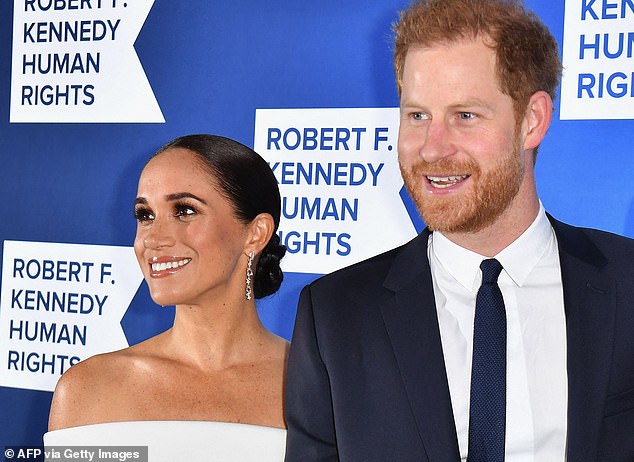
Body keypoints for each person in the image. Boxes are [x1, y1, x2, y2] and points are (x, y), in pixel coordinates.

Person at [284, 0, 634, 461]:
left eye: (464, 116)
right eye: (417, 116)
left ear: (532, 120)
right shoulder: (335, 315)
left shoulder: (626, 283)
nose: (432, 149)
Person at [46, 135, 289, 461]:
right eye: (145, 215)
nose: (153, 239)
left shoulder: (319, 387)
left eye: (184, 210)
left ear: (255, 233)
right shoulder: (87, 390)